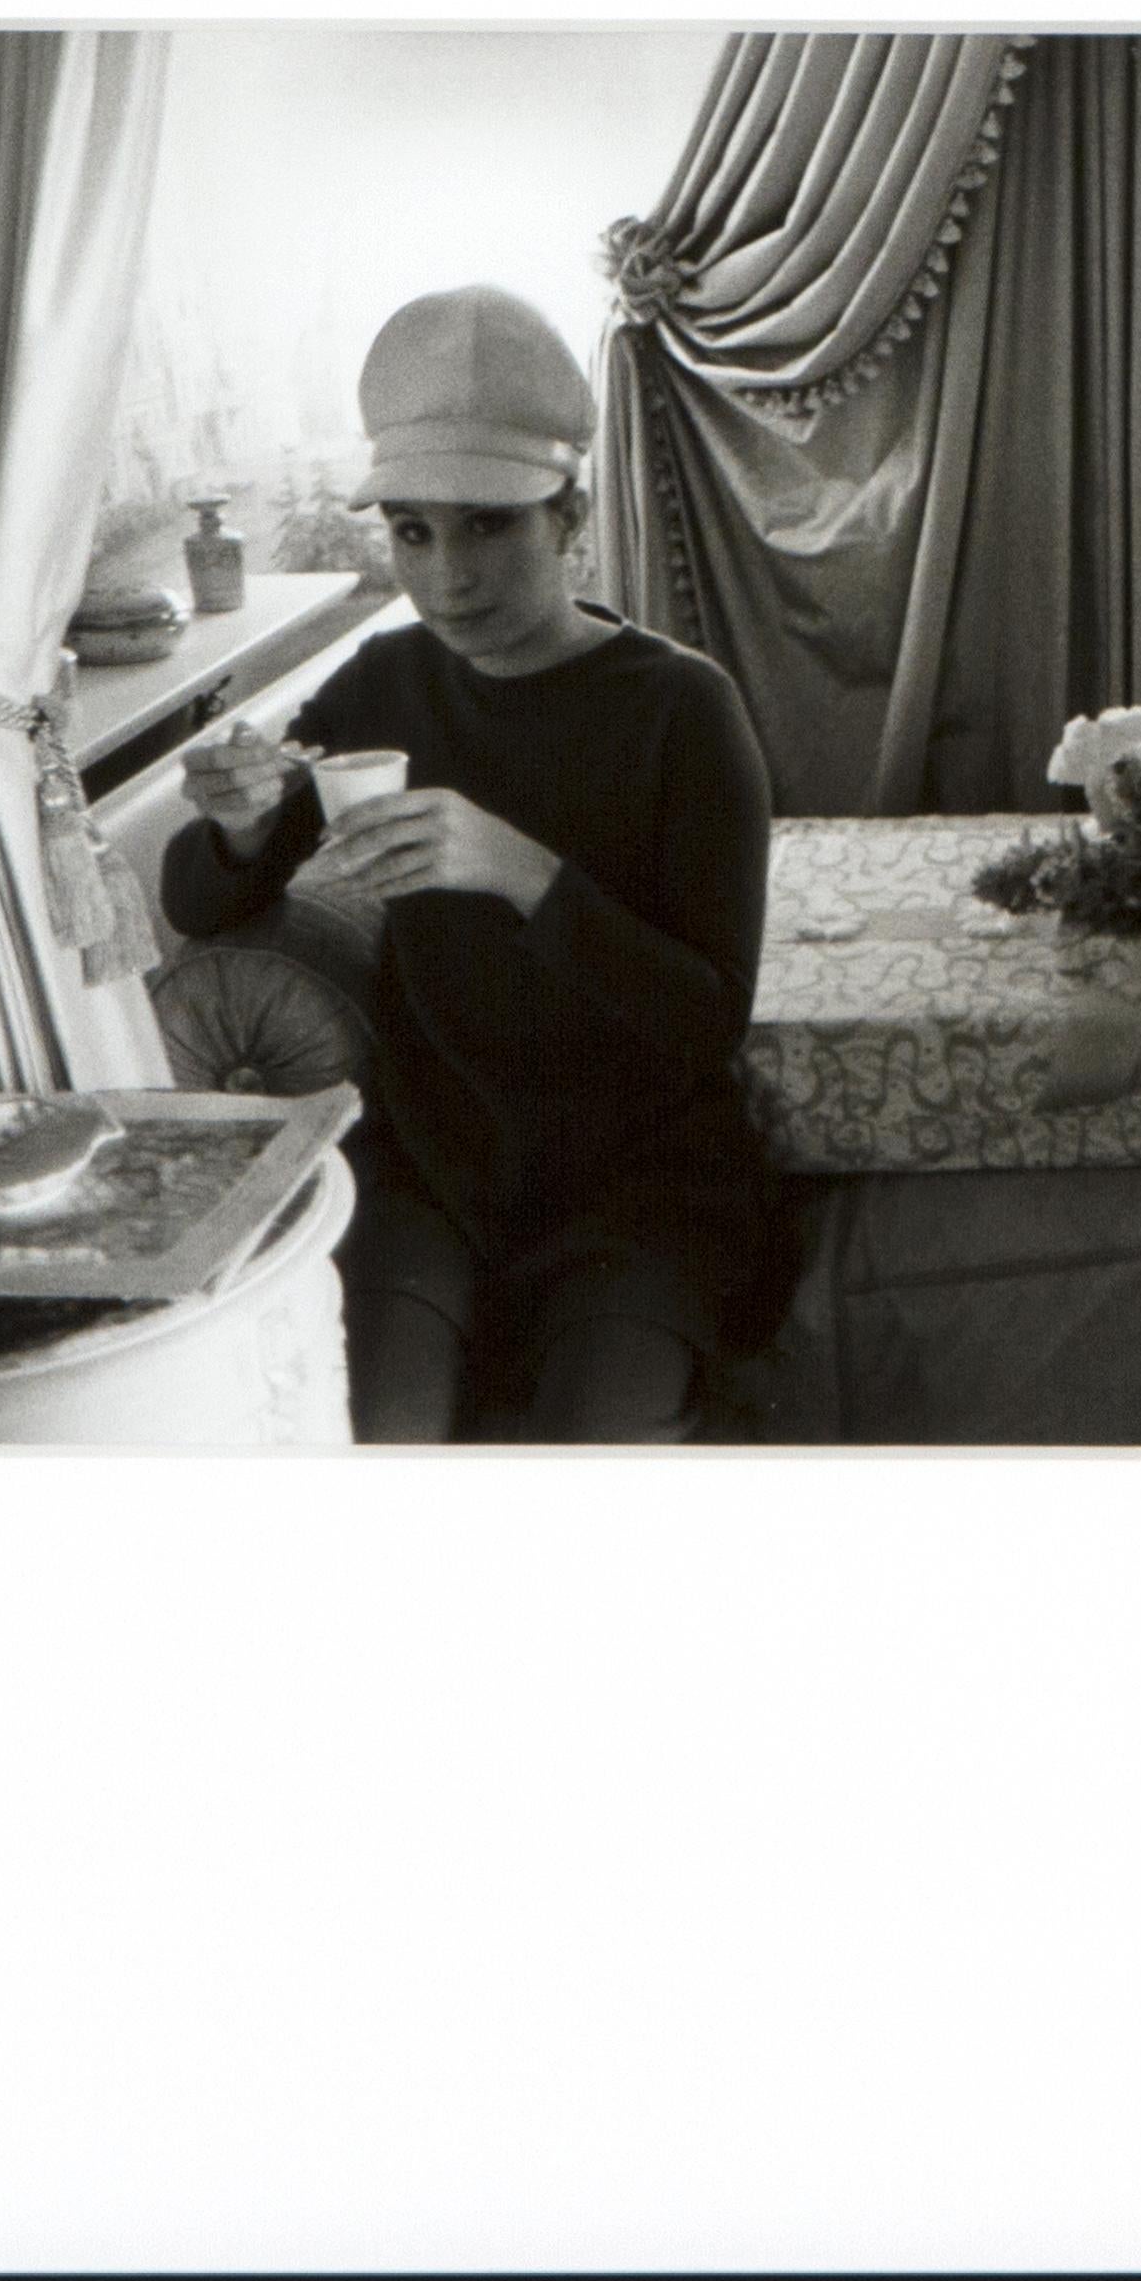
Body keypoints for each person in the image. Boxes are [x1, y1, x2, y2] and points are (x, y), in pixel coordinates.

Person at [163, 286, 789, 1444]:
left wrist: (524, 872)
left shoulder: (683, 710)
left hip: (644, 1188)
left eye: (489, 525)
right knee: (374, 1443)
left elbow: (707, 1022)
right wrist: (243, 827)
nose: (446, 575)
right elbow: (203, 904)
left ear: (572, 514)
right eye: (412, 530)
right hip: (437, 1173)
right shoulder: (383, 683)